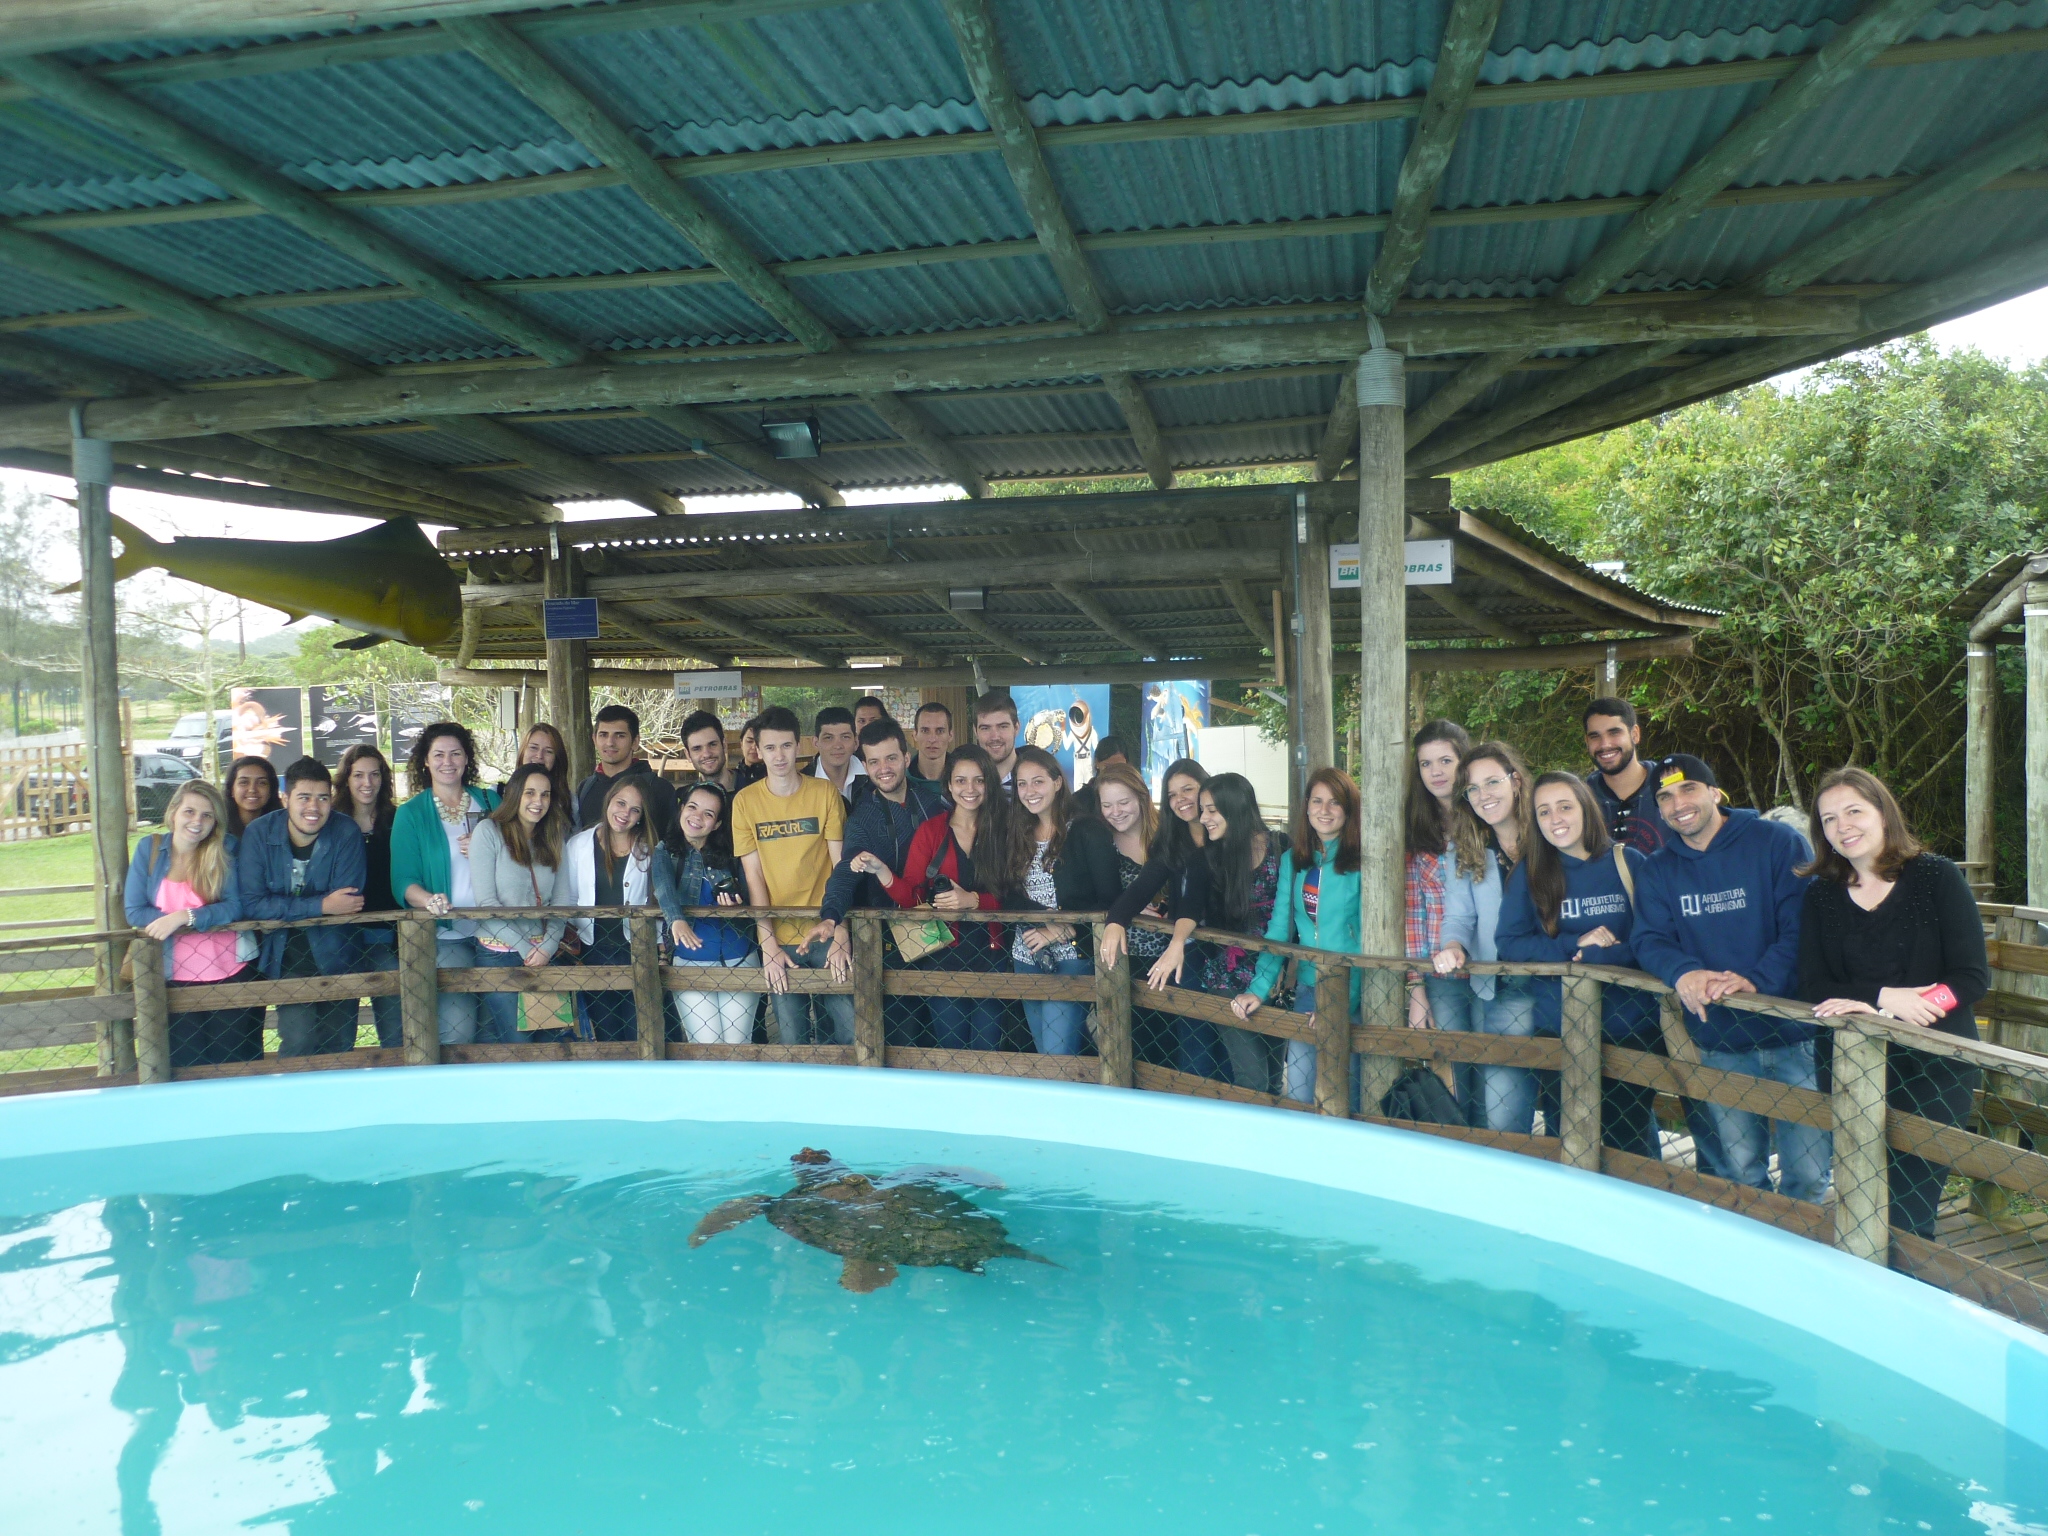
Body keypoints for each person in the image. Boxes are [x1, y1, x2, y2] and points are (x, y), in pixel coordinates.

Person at [1798, 766, 1988, 1238]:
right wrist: (1885, 998)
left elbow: (1970, 977)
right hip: (1852, 1063)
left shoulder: (1935, 877)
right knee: (1861, 1198)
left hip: (1935, 1064)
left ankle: (1905, 1295)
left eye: (1854, 811)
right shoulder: (1821, 895)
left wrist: (1925, 1006)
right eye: (1828, 819)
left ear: (1883, 813)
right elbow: (1811, 984)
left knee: (1910, 1210)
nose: (1842, 826)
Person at [1632, 754, 1826, 1200]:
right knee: (1742, 1172)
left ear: (1715, 793)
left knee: (1810, 1173)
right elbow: (1650, 940)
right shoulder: (1659, 869)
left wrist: (1754, 980)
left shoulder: (1777, 843)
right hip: (1721, 1040)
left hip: (1794, 1033)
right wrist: (1683, 972)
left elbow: (1803, 927)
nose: (1677, 803)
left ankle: (1800, 1264)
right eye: (1664, 797)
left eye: (1687, 789)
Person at [1495, 772, 1662, 1158]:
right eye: (1544, 811)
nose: (1556, 818)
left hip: (1630, 1027)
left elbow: (1653, 940)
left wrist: (1601, 956)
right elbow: (1509, 944)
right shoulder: (1531, 873)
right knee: (1567, 1139)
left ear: (1585, 808)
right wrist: (1574, 945)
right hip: (1560, 1028)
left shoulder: (1628, 862)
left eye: (1565, 806)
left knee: (1630, 1141)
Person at [1234, 768, 1362, 1103]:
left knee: (1350, 1094)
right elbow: (1279, 928)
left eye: (1335, 803)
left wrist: (1341, 1005)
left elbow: (1365, 940)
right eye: (1317, 801)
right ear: (1306, 808)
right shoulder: (1295, 859)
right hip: (1308, 987)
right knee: (1302, 1093)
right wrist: (1258, 988)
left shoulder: (1363, 861)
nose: (1325, 809)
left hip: (1355, 991)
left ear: (1349, 810)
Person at [885, 745, 1023, 1052]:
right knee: (951, 1051)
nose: (969, 789)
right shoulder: (931, 831)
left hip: (994, 956)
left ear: (989, 782)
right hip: (942, 957)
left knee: (988, 1051)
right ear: (948, 784)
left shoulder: (1005, 831)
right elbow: (911, 897)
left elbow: (1018, 897)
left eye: (978, 780)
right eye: (961, 780)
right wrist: (882, 873)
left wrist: (973, 900)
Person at [731, 706, 853, 1047]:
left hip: (825, 928)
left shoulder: (824, 793)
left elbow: (839, 865)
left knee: (846, 1031)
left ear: (798, 746)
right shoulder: (745, 802)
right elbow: (754, 878)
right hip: (780, 936)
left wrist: (841, 931)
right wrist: (767, 944)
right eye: (770, 747)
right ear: (758, 750)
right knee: (791, 1037)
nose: (779, 755)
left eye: (785, 746)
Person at [1432, 742, 1537, 1132]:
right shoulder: (1465, 849)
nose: (1483, 795)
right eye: (1472, 789)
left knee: (1565, 1107)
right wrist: (1452, 946)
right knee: (1498, 1113)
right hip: (1502, 987)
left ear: (1515, 781)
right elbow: (1459, 916)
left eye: (1491, 782)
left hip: (1559, 984)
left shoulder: (1547, 835)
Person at [824, 718, 945, 1046]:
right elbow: (845, 873)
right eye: (874, 761)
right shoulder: (862, 819)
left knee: (945, 1039)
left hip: (945, 940)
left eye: (891, 758)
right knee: (900, 1040)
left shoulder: (935, 806)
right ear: (864, 765)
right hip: (889, 946)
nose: (884, 768)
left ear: (907, 758)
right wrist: (831, 917)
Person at [238, 757, 368, 1058]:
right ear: (285, 798)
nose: (314, 807)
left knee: (340, 1046)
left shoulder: (345, 831)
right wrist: (322, 904)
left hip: (338, 952)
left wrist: (285, 906)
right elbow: (252, 904)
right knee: (298, 1042)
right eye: (304, 797)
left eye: (323, 798)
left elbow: (348, 899)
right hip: (286, 956)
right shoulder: (260, 833)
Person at [124, 779, 260, 1066]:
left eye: (207, 815)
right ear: (173, 812)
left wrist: (184, 917)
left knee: (231, 1062)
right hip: (174, 976)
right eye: (189, 812)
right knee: (185, 1062)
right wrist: (171, 921)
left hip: (229, 970)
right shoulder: (149, 849)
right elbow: (134, 910)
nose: (197, 821)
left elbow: (235, 907)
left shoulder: (225, 849)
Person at [391, 721, 501, 1047]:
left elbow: (521, 857)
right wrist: (428, 900)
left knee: (499, 1027)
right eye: (438, 754)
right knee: (458, 1030)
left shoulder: (491, 802)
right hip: (447, 935)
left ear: (467, 759)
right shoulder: (411, 814)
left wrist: (489, 847)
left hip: (498, 932)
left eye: (455, 753)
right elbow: (403, 879)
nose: (447, 761)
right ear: (425, 761)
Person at [1100, 757, 1211, 1068]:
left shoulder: (1223, 835)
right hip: (1188, 953)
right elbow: (1141, 887)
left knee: (1242, 1048)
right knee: (1193, 1045)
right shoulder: (1173, 840)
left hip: (1232, 954)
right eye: (1173, 794)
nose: (1180, 800)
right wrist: (1115, 921)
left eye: (1188, 789)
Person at [1009, 744, 1118, 1057]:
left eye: (1038, 781)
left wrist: (1062, 926)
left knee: (1058, 1057)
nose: (1029, 791)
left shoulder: (1086, 830)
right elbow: (1008, 894)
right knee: (1047, 1056)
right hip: (1026, 953)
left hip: (1072, 955)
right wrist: (1045, 920)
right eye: (1021, 783)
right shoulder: (1018, 831)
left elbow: (1110, 899)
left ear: (1057, 782)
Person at [1189, 773, 1282, 1090]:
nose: (1204, 818)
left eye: (1212, 810)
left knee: (1274, 1077)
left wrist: (1288, 965)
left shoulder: (1282, 847)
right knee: (1251, 1078)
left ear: (1236, 807)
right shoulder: (1211, 857)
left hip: (1279, 975)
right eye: (1203, 810)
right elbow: (1191, 909)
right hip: (1229, 977)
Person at [469, 762, 572, 1045]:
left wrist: (548, 947)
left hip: (544, 952)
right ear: (515, 794)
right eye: (530, 793)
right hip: (499, 954)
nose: (538, 802)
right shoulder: (488, 832)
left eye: (545, 794)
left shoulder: (554, 836)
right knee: (519, 1043)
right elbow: (485, 904)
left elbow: (562, 900)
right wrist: (528, 951)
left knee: (552, 1040)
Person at [654, 783, 759, 1045]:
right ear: (681, 809)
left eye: (709, 814)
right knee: (706, 1048)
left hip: (740, 959)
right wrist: (675, 919)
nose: (697, 817)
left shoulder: (734, 853)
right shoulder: (665, 851)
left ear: (718, 823)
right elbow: (663, 886)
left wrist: (738, 907)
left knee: (738, 1046)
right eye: (692, 807)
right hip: (691, 962)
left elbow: (753, 894)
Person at [564, 775, 656, 1043]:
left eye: (634, 809)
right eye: (621, 803)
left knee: (640, 1031)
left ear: (641, 816)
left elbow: (656, 901)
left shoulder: (650, 849)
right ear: (608, 801)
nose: (625, 813)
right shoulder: (578, 845)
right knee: (606, 1034)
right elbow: (569, 897)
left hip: (636, 953)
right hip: (591, 952)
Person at [1406, 720, 1473, 1087]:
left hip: (1497, 966)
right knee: (1454, 1073)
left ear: (1464, 761)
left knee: (1501, 1072)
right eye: (1426, 763)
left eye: (1446, 761)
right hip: (1442, 973)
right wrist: (1417, 988)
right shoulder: (1416, 824)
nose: (1436, 772)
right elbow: (1414, 912)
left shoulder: (1488, 815)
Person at [335, 743, 401, 1049]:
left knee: (396, 1030)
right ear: (346, 779)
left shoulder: (396, 820)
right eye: (359, 774)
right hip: (341, 939)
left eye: (374, 774)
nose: (367, 782)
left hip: (386, 937)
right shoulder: (331, 824)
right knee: (339, 1031)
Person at [575, 704, 678, 838]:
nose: (610, 742)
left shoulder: (658, 789)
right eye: (603, 735)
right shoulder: (585, 788)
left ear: (635, 742)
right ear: (594, 739)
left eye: (620, 736)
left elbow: (672, 843)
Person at [1583, 697, 1666, 854]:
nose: (1605, 744)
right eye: (1595, 736)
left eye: (1614, 733)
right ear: (1587, 741)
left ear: (1634, 734)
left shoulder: (1670, 788)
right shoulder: (1581, 800)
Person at [505, 722, 574, 826]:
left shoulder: (569, 802)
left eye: (549, 751)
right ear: (523, 751)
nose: (539, 756)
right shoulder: (499, 794)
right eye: (533, 748)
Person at [810, 706, 867, 804]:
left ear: (856, 742)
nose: (837, 746)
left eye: (845, 737)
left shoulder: (872, 774)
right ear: (816, 743)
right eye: (828, 738)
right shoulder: (803, 782)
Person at [1069, 733, 1132, 820]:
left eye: (1119, 767)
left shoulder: (1135, 794)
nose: (1114, 772)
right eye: (1108, 767)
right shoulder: (1081, 800)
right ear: (1097, 763)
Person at [679, 709, 737, 795]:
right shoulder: (682, 798)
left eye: (712, 744)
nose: (706, 754)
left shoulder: (753, 790)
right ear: (688, 755)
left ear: (724, 745)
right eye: (697, 749)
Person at [222, 754, 279, 838]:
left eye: (261, 783)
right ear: (231, 789)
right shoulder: (217, 830)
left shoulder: (283, 829)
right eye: (244, 782)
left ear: (271, 790)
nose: (252, 789)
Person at [972, 692, 1021, 789]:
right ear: (975, 731)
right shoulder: (965, 786)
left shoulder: (1037, 782)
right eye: (985, 728)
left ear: (1016, 728)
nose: (994, 737)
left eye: (1003, 727)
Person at [910, 700, 953, 784]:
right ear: (915, 735)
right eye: (925, 731)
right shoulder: (901, 780)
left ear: (950, 735)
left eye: (940, 731)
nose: (932, 739)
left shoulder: (964, 780)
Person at [736, 717, 766, 789]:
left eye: (759, 742)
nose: (754, 747)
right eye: (749, 741)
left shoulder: (775, 776)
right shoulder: (733, 777)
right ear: (741, 743)